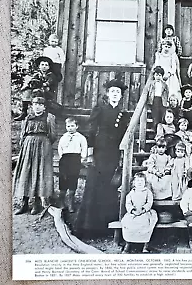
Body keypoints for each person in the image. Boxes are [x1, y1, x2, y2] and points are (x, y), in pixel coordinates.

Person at [74, 79, 129, 238]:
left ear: (120, 96)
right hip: (99, 152)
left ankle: (104, 228)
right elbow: (91, 130)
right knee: (93, 185)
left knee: (109, 187)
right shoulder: (99, 109)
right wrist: (90, 152)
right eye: (112, 91)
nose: (115, 94)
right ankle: (85, 227)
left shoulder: (123, 114)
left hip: (113, 153)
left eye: (118, 92)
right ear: (107, 93)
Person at [13, 96, 56, 215]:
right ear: (32, 106)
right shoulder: (27, 118)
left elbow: (52, 136)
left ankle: (36, 203)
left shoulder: (49, 118)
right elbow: (23, 134)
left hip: (42, 147)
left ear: (44, 106)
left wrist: (44, 144)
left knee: (39, 173)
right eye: (35, 104)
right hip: (28, 147)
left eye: (40, 104)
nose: (37, 106)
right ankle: (24, 203)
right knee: (26, 172)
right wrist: (26, 145)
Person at [120, 172, 158, 253]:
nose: (140, 183)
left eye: (142, 181)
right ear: (134, 182)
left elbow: (149, 202)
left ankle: (145, 245)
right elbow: (128, 204)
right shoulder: (131, 193)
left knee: (146, 223)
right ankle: (128, 244)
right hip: (133, 213)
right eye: (137, 181)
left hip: (144, 212)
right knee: (128, 223)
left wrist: (143, 210)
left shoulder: (148, 192)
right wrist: (133, 211)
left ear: (145, 182)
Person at [57, 117, 88, 213]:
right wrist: (62, 156)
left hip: (75, 159)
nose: (70, 128)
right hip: (65, 159)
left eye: (72, 126)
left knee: (73, 179)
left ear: (77, 126)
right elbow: (60, 148)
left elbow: (84, 148)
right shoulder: (64, 137)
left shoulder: (81, 138)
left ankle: (71, 202)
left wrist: (82, 157)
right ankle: (61, 201)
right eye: (68, 126)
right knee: (63, 178)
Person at [14, 56, 58, 121]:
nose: (44, 66)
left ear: (48, 67)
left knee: (37, 91)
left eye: (46, 65)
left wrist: (41, 84)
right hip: (37, 91)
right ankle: (24, 112)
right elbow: (32, 82)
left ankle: (39, 114)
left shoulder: (51, 75)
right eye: (42, 65)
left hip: (48, 92)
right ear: (39, 66)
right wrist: (30, 84)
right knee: (27, 92)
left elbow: (47, 83)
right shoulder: (37, 74)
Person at [147, 66, 169, 130]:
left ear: (162, 76)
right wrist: (149, 100)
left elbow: (167, 93)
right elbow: (149, 91)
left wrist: (166, 101)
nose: (158, 77)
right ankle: (155, 129)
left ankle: (161, 129)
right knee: (155, 115)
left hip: (162, 100)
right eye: (156, 75)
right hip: (154, 100)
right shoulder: (151, 84)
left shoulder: (164, 85)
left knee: (162, 115)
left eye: (160, 75)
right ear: (154, 76)